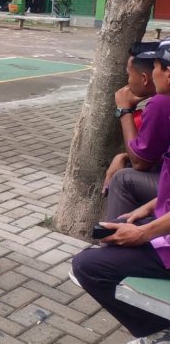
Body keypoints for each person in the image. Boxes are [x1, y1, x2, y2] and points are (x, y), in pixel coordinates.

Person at [71, 40, 170, 342]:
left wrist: (144, 232)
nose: (152, 75)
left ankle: (156, 330)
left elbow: (142, 161)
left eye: (155, 68)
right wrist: (149, 209)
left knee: (86, 266)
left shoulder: (161, 102)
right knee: (124, 225)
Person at [102, 42, 166, 219]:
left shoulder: (160, 102)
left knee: (123, 179)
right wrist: (123, 156)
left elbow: (141, 162)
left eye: (129, 75)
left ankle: (114, 241)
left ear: (145, 78)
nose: (127, 82)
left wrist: (124, 110)